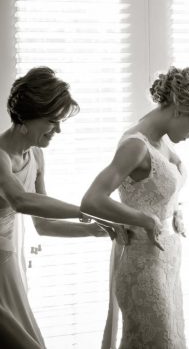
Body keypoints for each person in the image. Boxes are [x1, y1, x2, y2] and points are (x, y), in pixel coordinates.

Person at [81, 66, 189, 349]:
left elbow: (155, 186)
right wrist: (144, 219)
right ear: (180, 108)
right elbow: (92, 200)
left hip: (166, 259)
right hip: (143, 264)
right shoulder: (135, 145)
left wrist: (174, 209)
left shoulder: (160, 140)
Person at [0, 67, 110, 349]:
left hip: (8, 264)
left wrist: (94, 231)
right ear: (26, 117)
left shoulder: (35, 154)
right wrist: (85, 210)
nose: (58, 130)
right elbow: (21, 201)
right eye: (52, 121)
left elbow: (43, 224)